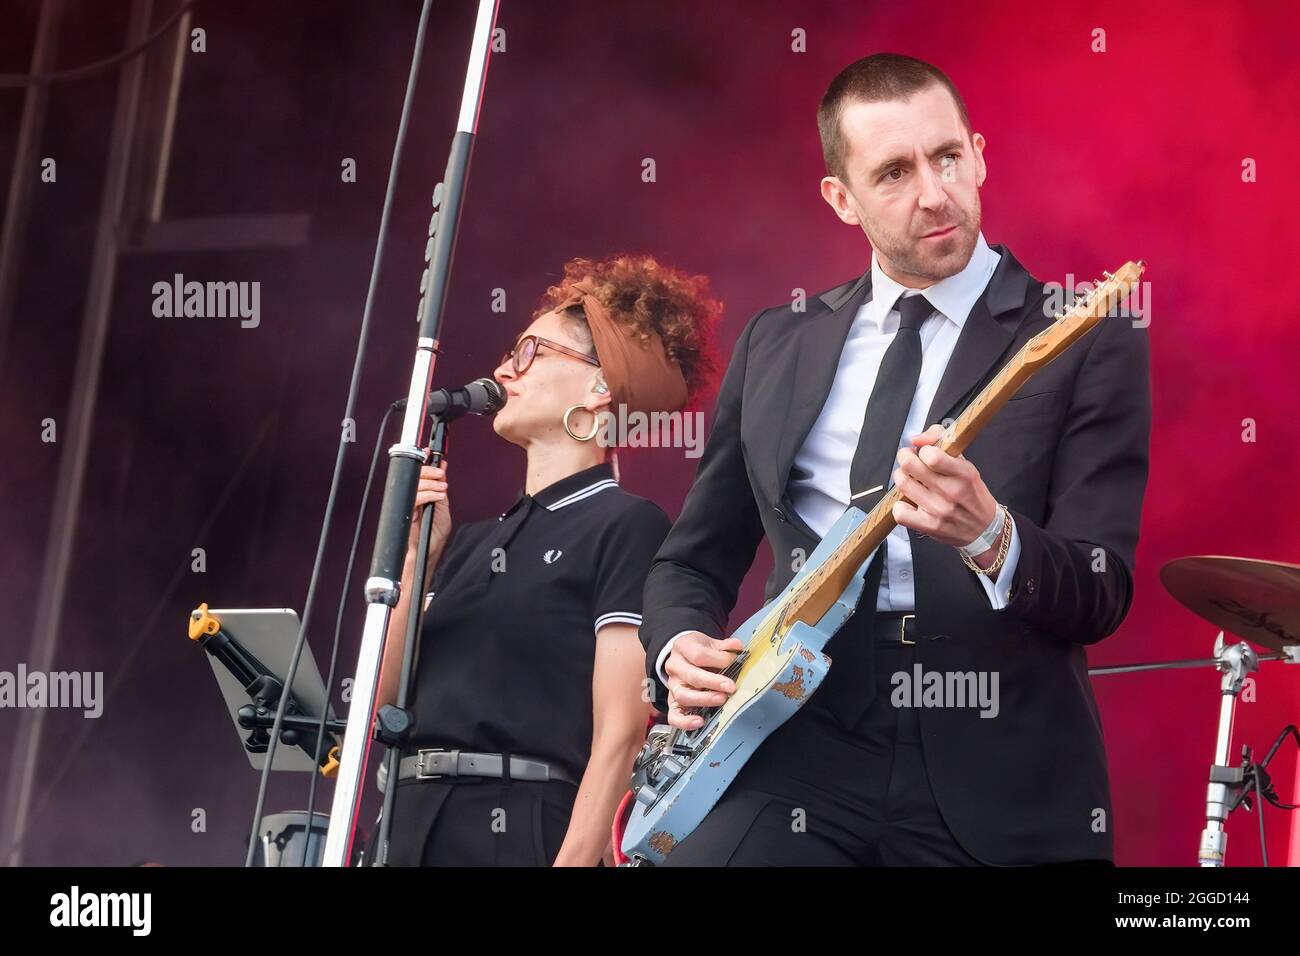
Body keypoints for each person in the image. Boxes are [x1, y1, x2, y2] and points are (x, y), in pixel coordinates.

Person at [641, 53, 1151, 866]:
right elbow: (690, 561)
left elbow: (1100, 589)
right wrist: (676, 651)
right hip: (798, 737)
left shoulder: (1081, 338)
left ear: (979, 153)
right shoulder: (778, 342)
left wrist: (990, 535)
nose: (934, 193)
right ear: (840, 199)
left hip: (999, 753)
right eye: (893, 173)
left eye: (948, 157)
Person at [379, 254, 719, 866]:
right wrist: (417, 564)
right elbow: (380, 707)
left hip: (518, 827)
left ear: (600, 387)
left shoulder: (624, 525)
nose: (504, 369)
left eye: (530, 351)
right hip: (407, 823)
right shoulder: (469, 541)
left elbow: (619, 733)